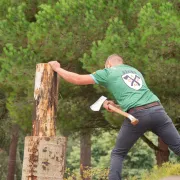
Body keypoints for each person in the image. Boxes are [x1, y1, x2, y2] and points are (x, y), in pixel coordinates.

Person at [48, 54, 180, 180]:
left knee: (118, 153)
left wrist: (57, 68)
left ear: (108, 64)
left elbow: (77, 79)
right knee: (178, 146)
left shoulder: (108, 72)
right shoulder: (135, 71)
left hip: (137, 115)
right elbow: (137, 98)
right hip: (157, 110)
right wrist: (116, 106)